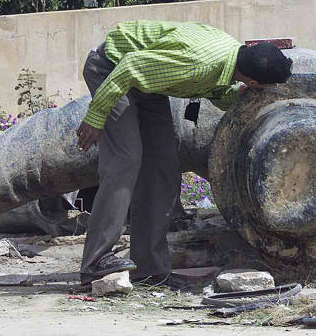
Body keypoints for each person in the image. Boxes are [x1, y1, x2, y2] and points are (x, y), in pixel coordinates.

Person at [76, 20, 292, 285]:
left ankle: (149, 269)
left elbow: (215, 91)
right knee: (125, 159)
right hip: (111, 68)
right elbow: (130, 67)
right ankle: (96, 262)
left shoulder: (231, 58)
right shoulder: (199, 64)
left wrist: (238, 97)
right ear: (253, 80)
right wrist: (95, 117)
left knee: (163, 167)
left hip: (147, 85)